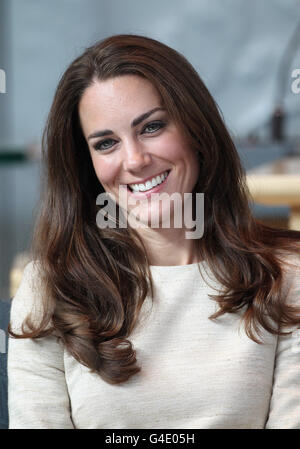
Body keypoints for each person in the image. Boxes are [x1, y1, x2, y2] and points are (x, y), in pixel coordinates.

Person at [7, 33, 300, 429]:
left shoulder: (289, 274)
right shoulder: (47, 288)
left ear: (196, 130)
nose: (135, 160)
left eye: (152, 127)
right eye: (106, 143)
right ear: (86, 164)